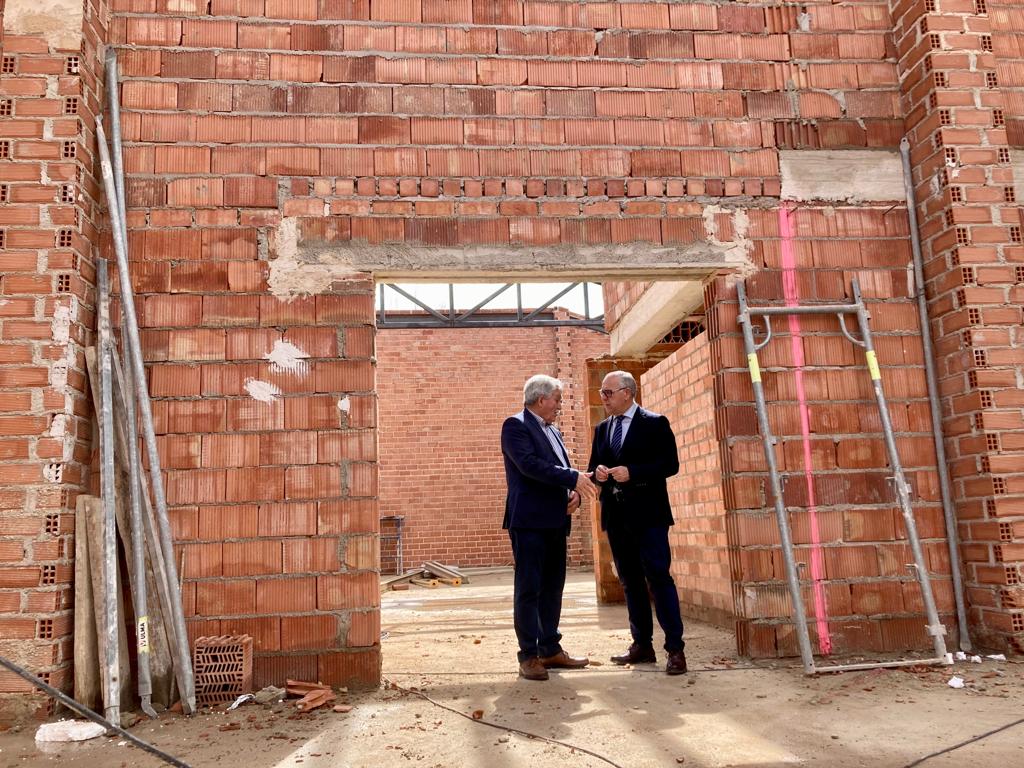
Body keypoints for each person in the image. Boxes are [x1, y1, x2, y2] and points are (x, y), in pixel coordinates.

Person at [588, 370, 687, 675]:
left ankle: (675, 649)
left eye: (608, 392)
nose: (603, 398)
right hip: (616, 516)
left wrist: (634, 472)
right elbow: (593, 468)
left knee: (658, 578)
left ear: (628, 393)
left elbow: (670, 464)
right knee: (630, 582)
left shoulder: (655, 423)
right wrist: (599, 472)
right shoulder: (603, 429)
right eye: (602, 393)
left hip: (650, 516)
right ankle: (641, 645)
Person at [501, 374, 598, 681]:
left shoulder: (553, 431)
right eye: (557, 399)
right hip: (529, 521)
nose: (560, 405)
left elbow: (560, 473)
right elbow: (529, 465)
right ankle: (528, 655)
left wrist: (573, 496)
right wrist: (572, 479)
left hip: (556, 519)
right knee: (529, 588)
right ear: (541, 399)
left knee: (553, 587)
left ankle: (550, 649)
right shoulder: (515, 426)